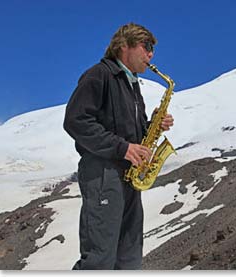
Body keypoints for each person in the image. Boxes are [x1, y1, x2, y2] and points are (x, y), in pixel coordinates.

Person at [63, 23, 174, 270]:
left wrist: (153, 124)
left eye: (152, 49)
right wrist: (122, 148)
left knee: (129, 255)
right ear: (124, 46)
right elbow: (75, 120)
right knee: (99, 257)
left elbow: (127, 132)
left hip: (129, 176)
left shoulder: (132, 84)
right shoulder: (99, 75)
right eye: (147, 47)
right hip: (104, 172)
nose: (151, 55)